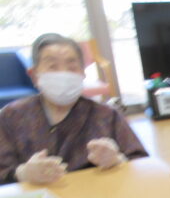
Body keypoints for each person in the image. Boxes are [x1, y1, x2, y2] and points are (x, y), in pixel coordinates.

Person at [0, 33, 147, 184]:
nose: (63, 74)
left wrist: (117, 160)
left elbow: (141, 163)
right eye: (52, 67)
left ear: (83, 73)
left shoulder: (107, 116)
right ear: (34, 75)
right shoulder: (11, 116)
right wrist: (22, 173)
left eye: (72, 67)